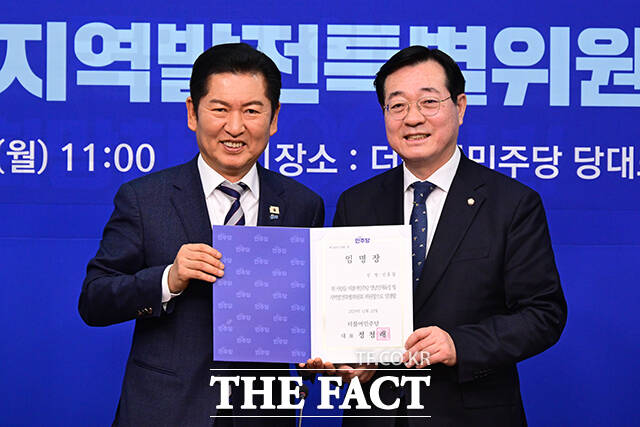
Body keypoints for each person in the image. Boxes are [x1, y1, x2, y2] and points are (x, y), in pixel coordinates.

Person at [303, 46, 567, 426]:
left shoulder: (511, 203)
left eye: (428, 102)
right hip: (377, 414)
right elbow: (341, 314)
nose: (413, 118)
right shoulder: (356, 204)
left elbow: (544, 314)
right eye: (397, 105)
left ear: (460, 107)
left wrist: (459, 344)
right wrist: (348, 360)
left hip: (470, 415)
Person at [79, 43, 324, 426]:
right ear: (193, 113)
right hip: (165, 411)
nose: (235, 127)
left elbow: (313, 310)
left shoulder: (302, 204)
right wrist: (168, 279)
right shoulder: (145, 198)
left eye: (252, 111)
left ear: (274, 118)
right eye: (220, 109)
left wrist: (321, 349)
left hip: (263, 414)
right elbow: (94, 301)